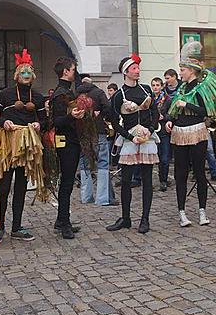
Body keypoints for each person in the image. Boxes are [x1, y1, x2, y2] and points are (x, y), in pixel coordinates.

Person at [165, 41, 216, 227]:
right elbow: (173, 110)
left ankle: (202, 211)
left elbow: (207, 111)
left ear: (191, 70)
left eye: (182, 69)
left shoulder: (201, 89)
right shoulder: (181, 89)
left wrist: (187, 105)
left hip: (197, 132)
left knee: (200, 172)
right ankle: (182, 212)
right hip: (179, 133)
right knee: (180, 173)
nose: (180, 73)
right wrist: (170, 120)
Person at [106, 55, 160, 234]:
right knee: (126, 180)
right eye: (134, 68)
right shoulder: (119, 95)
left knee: (146, 180)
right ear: (126, 72)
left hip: (147, 138)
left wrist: (150, 131)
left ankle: (145, 219)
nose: (138, 71)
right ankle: (126, 218)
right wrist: (129, 137)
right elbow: (114, 122)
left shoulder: (146, 90)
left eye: (138, 68)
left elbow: (155, 112)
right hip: (130, 139)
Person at [0, 50, 43, 243]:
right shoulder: (5, 94)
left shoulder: (37, 97)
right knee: (3, 187)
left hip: (27, 147)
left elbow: (45, 120)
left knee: (21, 187)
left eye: (29, 72)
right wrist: (3, 122)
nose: (26, 75)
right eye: (23, 72)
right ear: (16, 74)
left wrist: (40, 125)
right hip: (7, 145)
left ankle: (17, 227)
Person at [49, 56, 84, 239]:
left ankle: (62, 220)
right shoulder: (60, 94)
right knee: (67, 182)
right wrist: (73, 117)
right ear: (66, 72)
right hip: (66, 143)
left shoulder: (66, 92)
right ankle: (64, 223)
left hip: (71, 141)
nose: (74, 72)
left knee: (68, 182)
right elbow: (57, 121)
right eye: (73, 69)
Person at [76, 73, 114, 207]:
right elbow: (108, 107)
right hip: (98, 131)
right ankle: (102, 198)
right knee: (102, 163)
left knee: (85, 164)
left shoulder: (76, 94)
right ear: (91, 83)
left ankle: (86, 196)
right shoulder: (98, 93)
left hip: (82, 133)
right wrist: (102, 116)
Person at [150, 76, 172, 191]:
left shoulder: (167, 99)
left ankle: (163, 180)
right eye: (153, 85)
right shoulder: (149, 98)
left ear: (162, 86)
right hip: (153, 131)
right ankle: (149, 181)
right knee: (152, 158)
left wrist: (165, 117)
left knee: (164, 158)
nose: (155, 87)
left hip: (163, 131)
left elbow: (172, 114)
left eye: (157, 85)